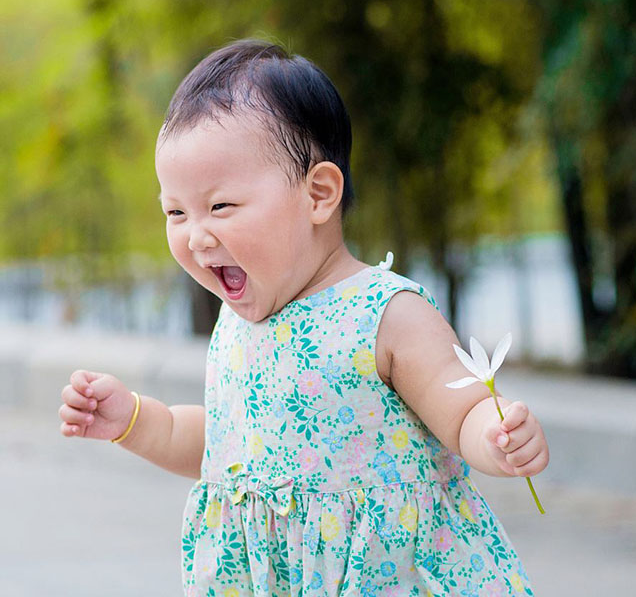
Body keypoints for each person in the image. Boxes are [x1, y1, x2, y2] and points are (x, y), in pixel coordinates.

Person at [58, 39, 549, 596]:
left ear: (318, 194)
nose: (196, 235)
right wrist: (135, 421)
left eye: (220, 207)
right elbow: (227, 450)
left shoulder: (385, 313)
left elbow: (460, 412)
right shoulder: (237, 321)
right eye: (176, 212)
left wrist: (498, 434)